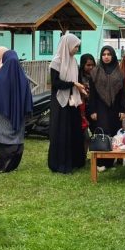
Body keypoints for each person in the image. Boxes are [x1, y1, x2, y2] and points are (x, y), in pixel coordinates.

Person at [0, 49, 33, 173]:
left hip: (2, 116)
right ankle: (9, 165)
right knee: (16, 141)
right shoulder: (23, 78)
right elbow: (28, 98)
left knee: (4, 141)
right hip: (18, 118)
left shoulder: (0, 77)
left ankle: (3, 165)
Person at [47, 33, 87, 173]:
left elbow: (78, 80)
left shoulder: (74, 62)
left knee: (74, 130)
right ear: (68, 45)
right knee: (62, 132)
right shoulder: (56, 62)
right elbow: (55, 83)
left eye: (77, 46)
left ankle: (75, 161)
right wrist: (73, 84)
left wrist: (80, 88)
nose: (76, 49)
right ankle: (61, 163)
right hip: (60, 102)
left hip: (73, 102)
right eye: (75, 46)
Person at [88, 46, 125, 140]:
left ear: (113, 56)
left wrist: (123, 110)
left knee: (116, 135)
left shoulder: (120, 73)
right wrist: (93, 110)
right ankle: (103, 154)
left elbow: (123, 92)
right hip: (100, 107)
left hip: (116, 108)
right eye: (104, 54)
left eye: (109, 54)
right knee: (103, 133)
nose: (106, 57)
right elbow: (92, 94)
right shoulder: (95, 72)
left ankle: (114, 155)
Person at [78, 54, 96, 147]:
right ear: (83, 65)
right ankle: (82, 157)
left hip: (93, 108)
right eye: (88, 65)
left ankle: (98, 155)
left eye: (92, 65)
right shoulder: (78, 76)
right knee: (84, 135)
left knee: (97, 131)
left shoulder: (97, 75)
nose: (91, 67)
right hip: (82, 109)